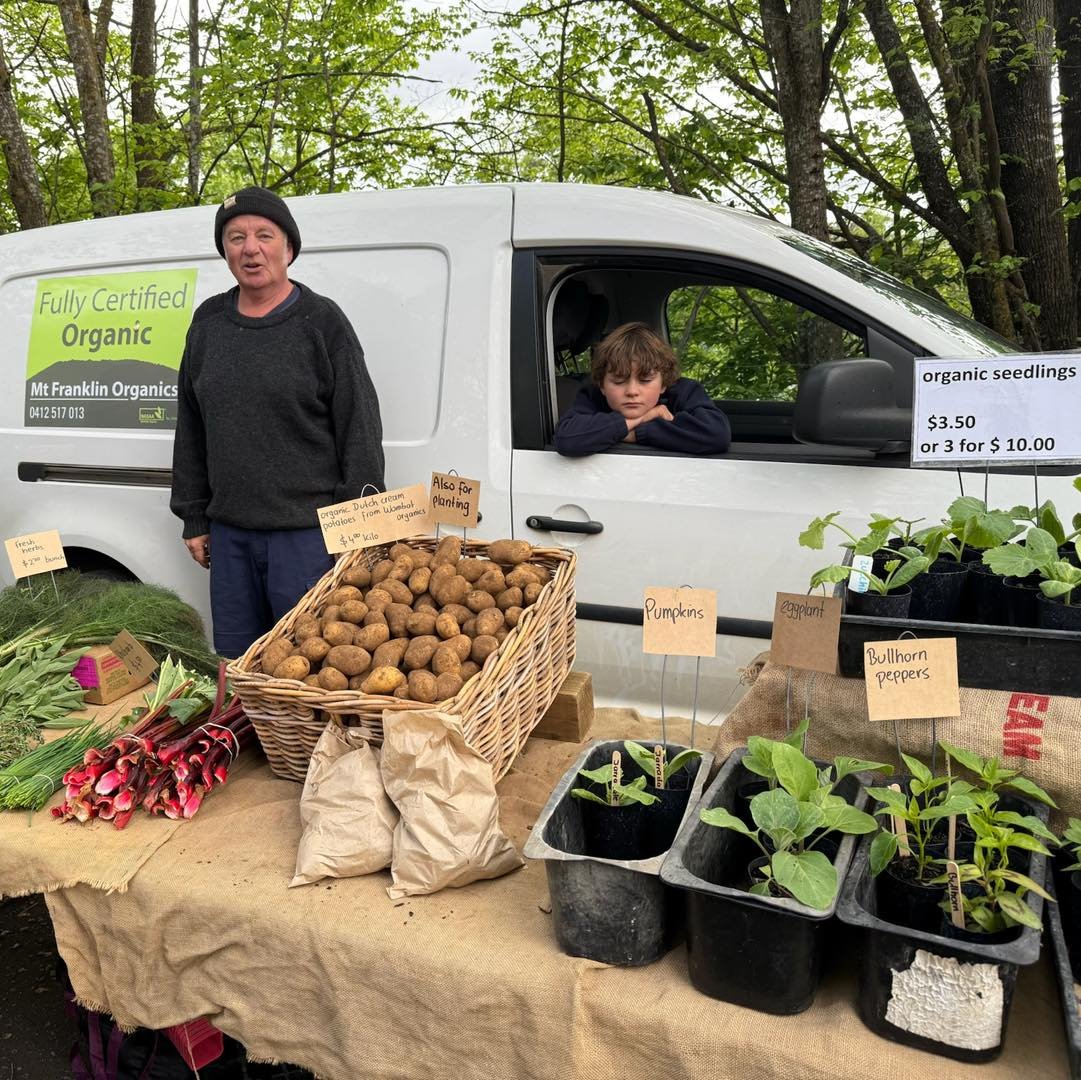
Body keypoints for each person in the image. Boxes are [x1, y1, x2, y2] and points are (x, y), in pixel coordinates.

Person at [170, 186, 384, 657]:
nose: (250, 248)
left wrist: (357, 528)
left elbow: (360, 427)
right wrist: (194, 515)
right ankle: (239, 737)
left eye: (264, 235)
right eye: (235, 237)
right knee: (239, 664)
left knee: (308, 663)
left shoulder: (322, 322)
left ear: (289, 248)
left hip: (307, 536)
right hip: (230, 538)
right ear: (224, 251)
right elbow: (190, 424)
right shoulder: (207, 324)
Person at [554, 321, 731, 456]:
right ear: (601, 385)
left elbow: (716, 434)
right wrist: (643, 418)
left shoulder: (684, 391)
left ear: (664, 383)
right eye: (618, 381)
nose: (632, 391)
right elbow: (567, 439)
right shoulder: (593, 395)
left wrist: (635, 434)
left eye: (645, 380)